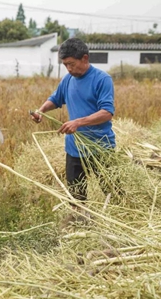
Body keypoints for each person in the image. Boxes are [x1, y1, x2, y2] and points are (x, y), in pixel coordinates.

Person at [31, 38, 116, 220]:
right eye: (65, 65)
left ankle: (116, 221)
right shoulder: (68, 80)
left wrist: (78, 122)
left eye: (71, 64)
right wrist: (42, 110)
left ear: (84, 58)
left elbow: (107, 112)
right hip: (75, 148)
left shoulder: (102, 79)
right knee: (76, 196)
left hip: (100, 146)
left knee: (112, 191)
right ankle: (79, 227)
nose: (69, 69)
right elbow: (55, 99)